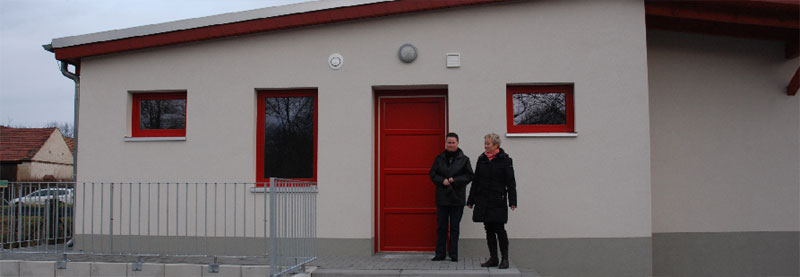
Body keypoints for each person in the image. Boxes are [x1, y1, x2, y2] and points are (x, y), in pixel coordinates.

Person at [467, 133, 517, 269]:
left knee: (500, 229)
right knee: (488, 229)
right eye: (485, 143)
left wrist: (512, 200)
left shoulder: (505, 160)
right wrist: (471, 200)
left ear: (496, 145)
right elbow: (475, 181)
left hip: (498, 200)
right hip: (483, 200)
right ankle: (493, 258)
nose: (485, 145)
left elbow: (511, 182)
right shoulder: (481, 159)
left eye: (488, 143)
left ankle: (504, 259)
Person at [429, 132, 474, 262]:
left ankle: (453, 254)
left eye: (453, 142)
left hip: (457, 198)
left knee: (454, 227)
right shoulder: (439, 158)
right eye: (449, 142)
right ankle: (440, 254)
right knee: (441, 227)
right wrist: (441, 180)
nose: (451, 145)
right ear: (445, 143)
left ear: (457, 143)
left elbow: (470, 176)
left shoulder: (464, 159)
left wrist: (455, 179)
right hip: (442, 198)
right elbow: (432, 174)